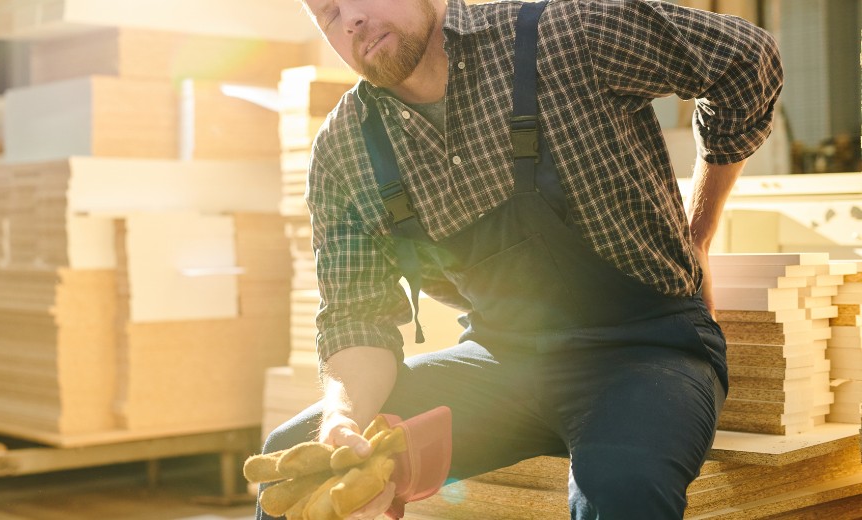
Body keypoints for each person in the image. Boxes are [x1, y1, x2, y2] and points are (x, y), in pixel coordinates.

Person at [260, 0, 782, 518]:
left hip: (649, 351)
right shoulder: (344, 151)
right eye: (327, 14)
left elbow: (745, 59)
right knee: (298, 467)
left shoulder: (569, 33)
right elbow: (357, 318)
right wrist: (344, 421)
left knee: (621, 490)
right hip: (501, 362)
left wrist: (700, 230)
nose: (348, 20)